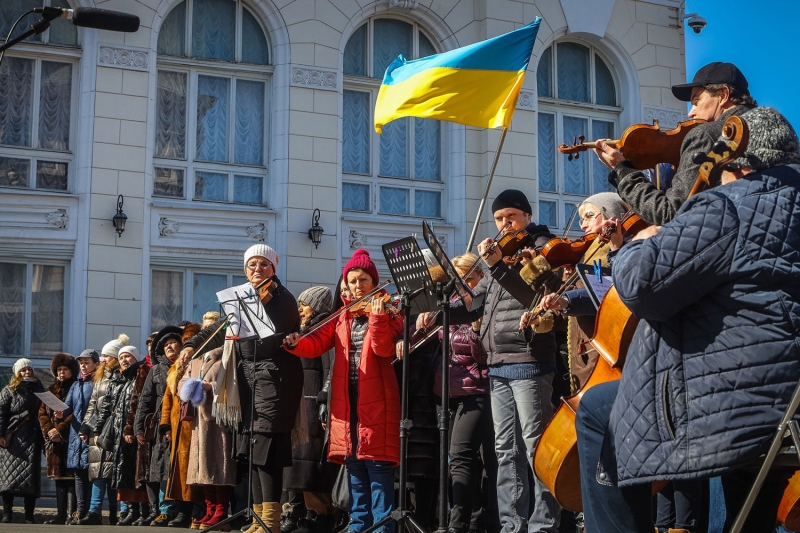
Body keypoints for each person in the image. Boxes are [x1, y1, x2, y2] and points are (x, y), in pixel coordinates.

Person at [575, 106, 800, 533]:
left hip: (736, 402)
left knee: (598, 409)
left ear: (734, 165)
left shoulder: (731, 205)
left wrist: (637, 245)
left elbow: (643, 288)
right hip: (790, 404)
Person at [419, 189, 561, 533]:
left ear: (527, 216)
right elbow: (474, 304)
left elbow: (532, 295)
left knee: (535, 446)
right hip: (497, 365)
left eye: (511, 216)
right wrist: (437, 315)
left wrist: (498, 265)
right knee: (505, 450)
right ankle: (513, 524)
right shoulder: (501, 259)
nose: (504, 223)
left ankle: (544, 524)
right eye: (499, 218)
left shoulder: (543, 249)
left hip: (529, 359)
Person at [181, 244, 303, 533]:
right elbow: (219, 327)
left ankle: (270, 522)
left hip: (275, 378)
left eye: (263, 265)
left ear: (273, 268)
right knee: (252, 450)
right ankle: (259, 519)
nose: (257, 270)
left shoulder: (283, 299)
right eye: (251, 265)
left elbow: (272, 341)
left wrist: (240, 333)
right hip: (249, 378)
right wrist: (190, 344)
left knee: (267, 450)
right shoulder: (244, 297)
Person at [285, 249, 404, 533]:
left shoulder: (389, 311)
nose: (357, 286)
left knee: (376, 464)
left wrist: (376, 319)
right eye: (352, 280)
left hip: (377, 398)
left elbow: (383, 349)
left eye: (363, 280)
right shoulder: (342, 316)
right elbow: (315, 343)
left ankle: (382, 525)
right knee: (353, 463)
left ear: (374, 282)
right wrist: (295, 343)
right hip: (346, 398)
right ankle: (359, 522)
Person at [594, 62, 756, 226]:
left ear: (723, 95)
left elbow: (669, 213)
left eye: (696, 101)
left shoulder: (706, 135)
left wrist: (622, 170)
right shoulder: (770, 129)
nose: (691, 112)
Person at [527, 192, 627, 393]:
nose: (582, 225)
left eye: (590, 216)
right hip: (582, 356)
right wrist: (541, 319)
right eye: (581, 219)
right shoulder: (584, 256)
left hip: (603, 353)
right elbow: (568, 313)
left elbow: (604, 299)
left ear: (612, 216)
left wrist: (564, 299)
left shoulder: (618, 253)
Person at [432, 253, 499, 533]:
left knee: (461, 456)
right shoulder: (455, 306)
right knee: (470, 460)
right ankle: (473, 522)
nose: (463, 288)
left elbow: (486, 358)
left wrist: (475, 331)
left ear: (480, 278)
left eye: (468, 280)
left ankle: (456, 525)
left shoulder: (483, 307)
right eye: (458, 283)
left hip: (479, 390)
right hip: (451, 393)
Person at [282, 286, 338, 533]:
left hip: (314, 405)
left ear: (316, 307)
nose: (300, 310)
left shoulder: (323, 328)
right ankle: (303, 512)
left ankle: (321, 514)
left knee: (313, 464)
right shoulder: (303, 330)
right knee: (300, 464)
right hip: (302, 404)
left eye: (304, 304)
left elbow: (329, 368)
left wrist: (324, 401)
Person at [83, 345, 150, 525]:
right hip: (117, 431)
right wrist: (97, 430)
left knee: (135, 472)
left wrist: (132, 429)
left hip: (131, 432)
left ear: (136, 358)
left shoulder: (139, 376)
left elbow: (138, 405)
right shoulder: (118, 378)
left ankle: (136, 510)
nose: (124, 360)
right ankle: (131, 511)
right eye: (121, 357)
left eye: (128, 357)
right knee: (123, 472)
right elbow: (105, 407)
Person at [178, 341, 237, 531]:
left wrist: (210, 387)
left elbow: (232, 384)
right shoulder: (196, 361)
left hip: (218, 420)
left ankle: (222, 511)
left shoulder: (226, 356)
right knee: (202, 466)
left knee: (219, 465)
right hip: (198, 422)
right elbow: (181, 382)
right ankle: (210, 509)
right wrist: (188, 386)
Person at [135, 325, 185, 526]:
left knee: (178, 468)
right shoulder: (156, 370)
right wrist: (139, 427)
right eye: (166, 344)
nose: (169, 346)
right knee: (162, 468)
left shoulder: (186, 366)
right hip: (162, 428)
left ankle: (181, 510)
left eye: (173, 342)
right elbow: (145, 400)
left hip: (183, 425)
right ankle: (164, 510)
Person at [79, 333, 129, 525]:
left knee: (118, 471)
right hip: (98, 429)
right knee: (98, 473)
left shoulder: (122, 376)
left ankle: (124, 511)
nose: (103, 359)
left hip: (114, 429)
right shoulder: (100, 377)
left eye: (107, 356)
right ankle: (94, 511)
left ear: (115, 357)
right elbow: (93, 404)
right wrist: (85, 427)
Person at [158, 323, 203, 528]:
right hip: (177, 427)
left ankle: (194, 511)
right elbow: (168, 397)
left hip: (193, 424)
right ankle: (182, 510)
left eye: (175, 343)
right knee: (178, 470)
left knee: (194, 469)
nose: (172, 347)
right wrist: (165, 424)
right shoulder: (175, 368)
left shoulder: (199, 362)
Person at [0, 358, 44, 524]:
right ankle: (7, 513)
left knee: (30, 479)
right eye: (23, 370)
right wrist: (1, 435)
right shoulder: (9, 391)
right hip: (13, 439)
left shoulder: (39, 389)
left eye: (29, 370)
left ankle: (29, 515)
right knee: (8, 478)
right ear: (17, 373)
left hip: (33, 438)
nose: (27, 372)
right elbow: (1, 413)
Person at [39, 352, 80, 525]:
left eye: (65, 369)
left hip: (70, 439)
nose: (62, 372)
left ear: (72, 371)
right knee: (59, 478)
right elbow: (42, 414)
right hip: (53, 442)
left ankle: (72, 514)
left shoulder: (76, 388)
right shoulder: (50, 390)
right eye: (59, 369)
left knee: (71, 478)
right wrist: (49, 431)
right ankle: (60, 514)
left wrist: (60, 430)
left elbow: (77, 413)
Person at [63, 349, 100, 524]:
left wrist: (87, 429)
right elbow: (67, 406)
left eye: (87, 362)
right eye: (81, 363)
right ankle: (80, 510)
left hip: (91, 434)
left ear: (95, 364)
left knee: (91, 472)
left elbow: (97, 409)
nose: (83, 366)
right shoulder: (76, 384)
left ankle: (91, 512)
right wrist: (59, 412)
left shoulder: (97, 382)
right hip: (75, 435)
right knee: (79, 473)